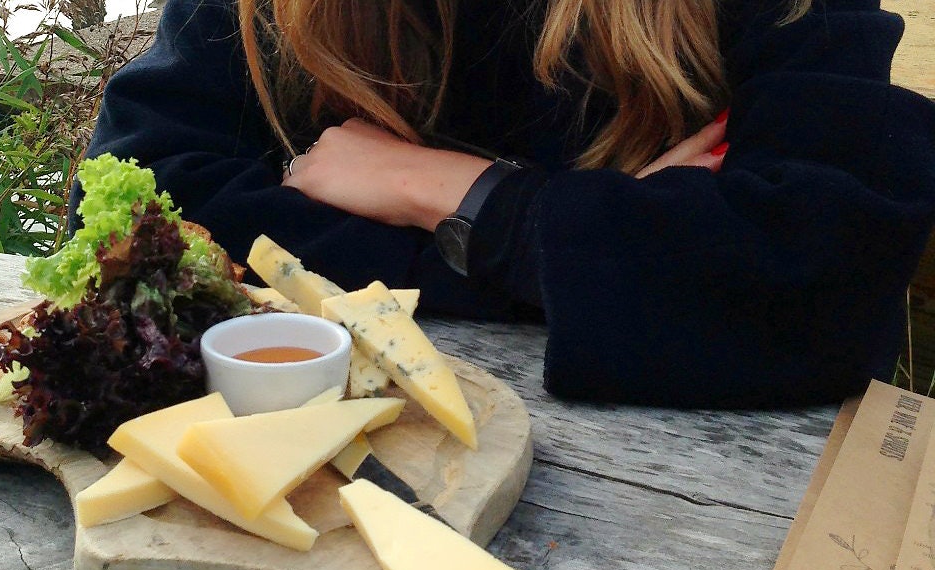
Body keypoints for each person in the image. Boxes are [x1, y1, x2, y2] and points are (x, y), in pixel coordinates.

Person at [74, 0, 935, 408]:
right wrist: (596, 248)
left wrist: (447, 193)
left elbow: (827, 286)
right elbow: (137, 204)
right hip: (335, 486)